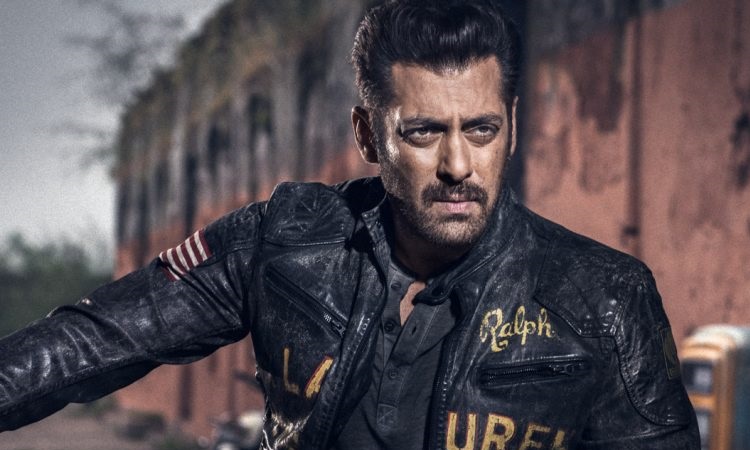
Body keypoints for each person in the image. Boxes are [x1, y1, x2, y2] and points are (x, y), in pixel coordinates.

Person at [0, 1, 699, 449]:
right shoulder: (284, 242)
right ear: (368, 135)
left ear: (512, 127)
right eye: (423, 132)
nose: (459, 165)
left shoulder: (606, 297)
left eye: (481, 130)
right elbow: (90, 342)